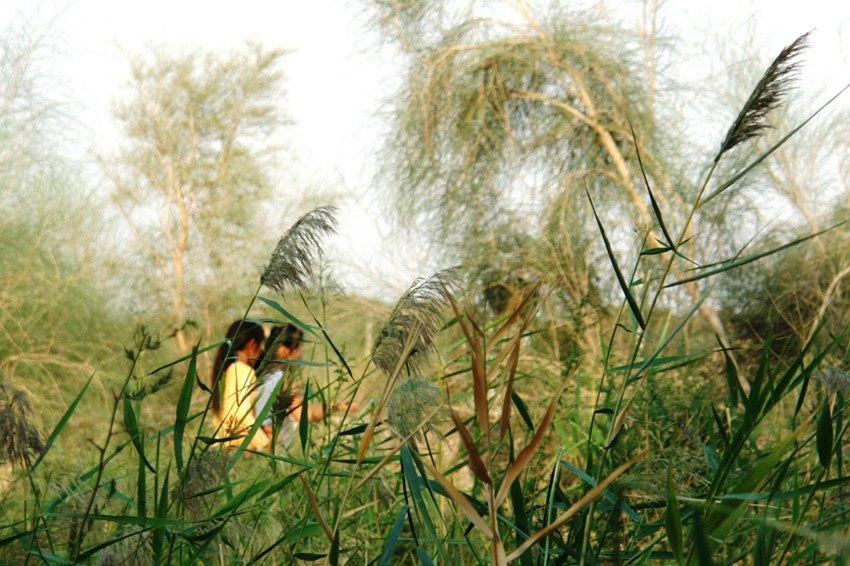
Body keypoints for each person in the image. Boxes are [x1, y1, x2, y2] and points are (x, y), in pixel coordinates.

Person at [254, 324, 352, 448]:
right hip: (269, 450)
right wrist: (336, 405)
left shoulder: (262, 374)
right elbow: (305, 415)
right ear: (284, 350)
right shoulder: (283, 379)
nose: (300, 356)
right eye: (298, 350)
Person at [209, 320, 270, 451]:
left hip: (222, 445)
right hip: (238, 448)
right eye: (260, 346)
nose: (260, 352)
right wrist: (264, 442)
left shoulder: (227, 370)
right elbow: (241, 414)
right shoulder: (243, 371)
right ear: (252, 344)